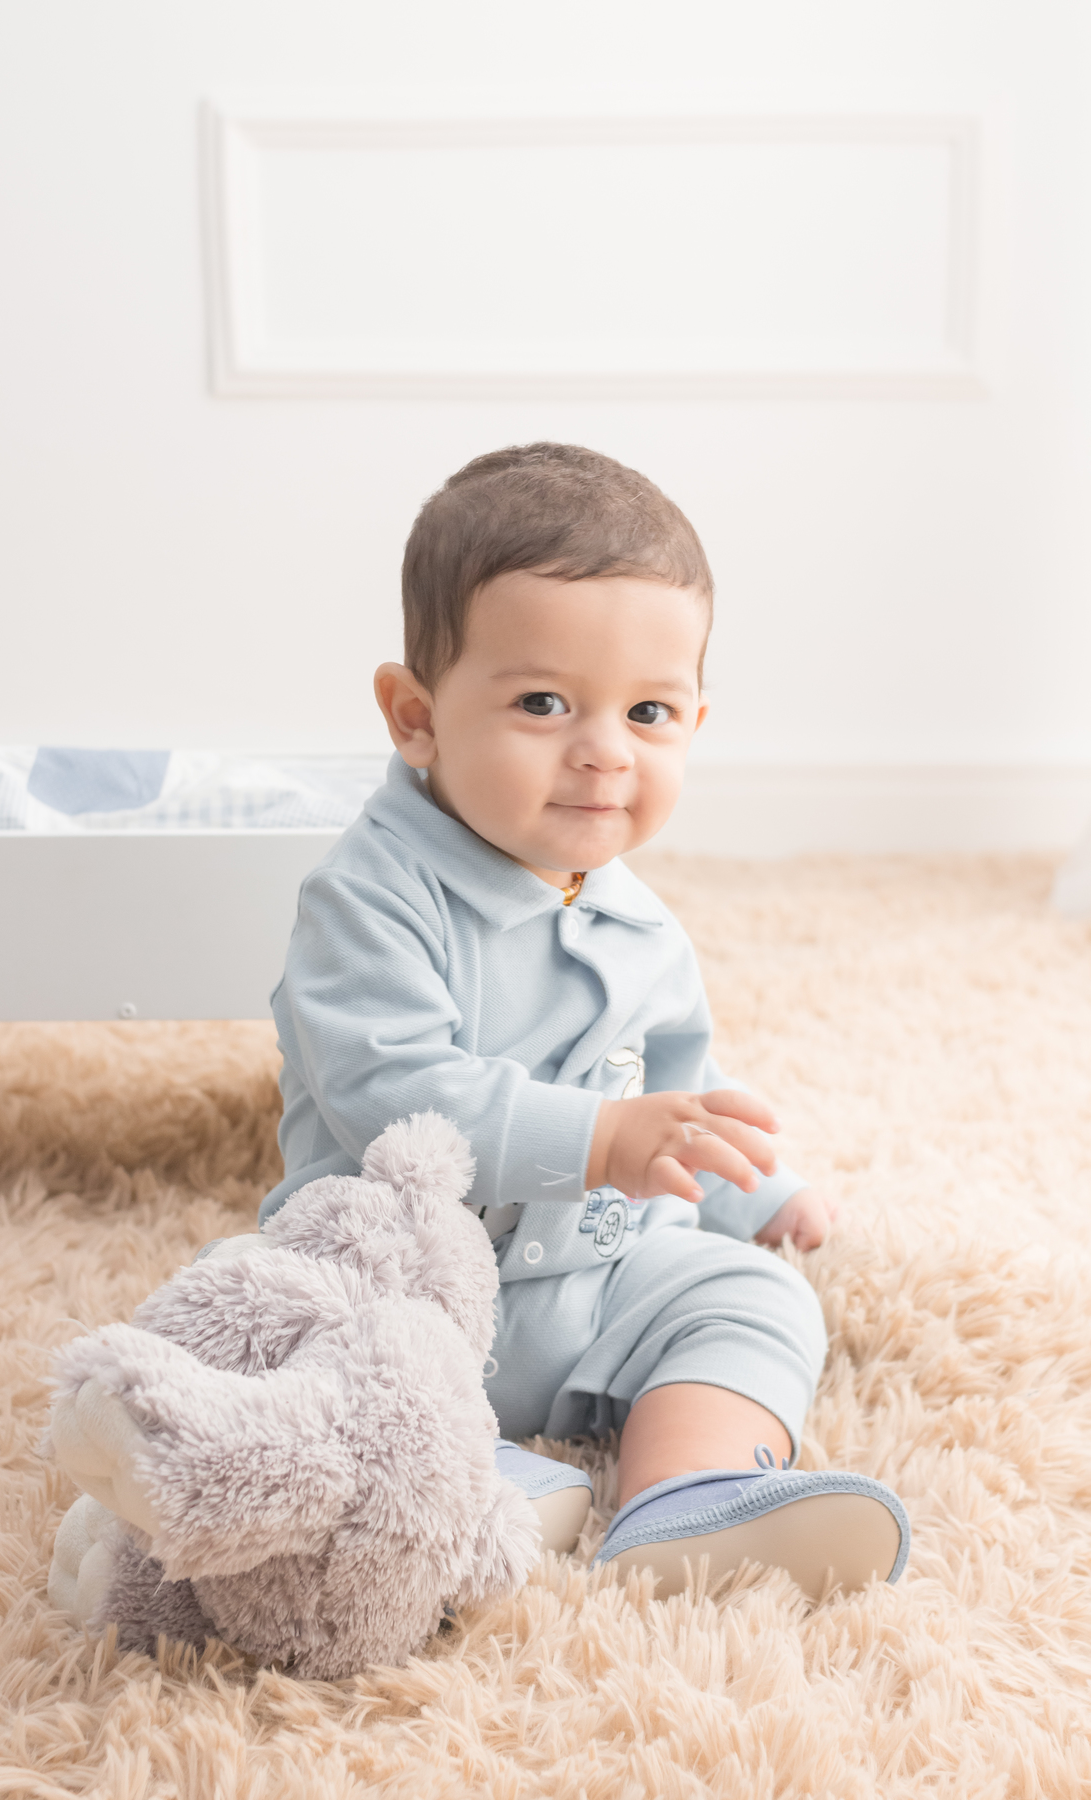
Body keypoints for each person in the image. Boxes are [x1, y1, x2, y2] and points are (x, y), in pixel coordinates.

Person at [259, 442, 908, 1597]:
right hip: (417, 1282)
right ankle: (475, 1482)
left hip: (596, 1279)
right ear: (416, 716)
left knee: (754, 1297)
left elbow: (672, 1099)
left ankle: (687, 1494)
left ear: (696, 722)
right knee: (294, 1334)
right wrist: (600, 1140)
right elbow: (389, 1094)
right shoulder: (368, 897)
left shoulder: (640, 924)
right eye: (544, 703)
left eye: (649, 711)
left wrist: (744, 1188)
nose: (604, 748)